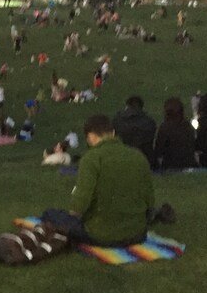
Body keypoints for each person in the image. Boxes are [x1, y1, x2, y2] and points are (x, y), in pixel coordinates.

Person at [41, 114, 154, 246]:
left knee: (50, 214)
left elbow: (79, 205)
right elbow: (150, 200)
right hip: (137, 234)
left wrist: (72, 219)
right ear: (113, 133)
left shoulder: (92, 158)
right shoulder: (138, 156)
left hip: (101, 235)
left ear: (91, 136)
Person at [153, 98, 197, 171]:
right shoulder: (187, 126)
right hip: (189, 163)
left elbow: (158, 150)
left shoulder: (165, 127)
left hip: (171, 165)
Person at [113, 95, 158, 167]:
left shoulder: (117, 121)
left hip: (123, 160)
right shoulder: (149, 122)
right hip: (146, 161)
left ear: (127, 106)